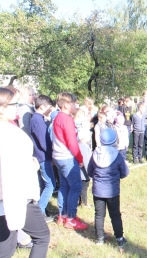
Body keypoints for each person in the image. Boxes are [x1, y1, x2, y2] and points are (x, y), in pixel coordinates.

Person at [0, 87, 50, 258]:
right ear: (2, 108)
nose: (18, 107)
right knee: (42, 236)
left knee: (6, 249)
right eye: (14, 104)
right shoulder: (10, 134)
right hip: (15, 196)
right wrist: (32, 166)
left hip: (6, 197)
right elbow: (14, 168)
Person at [87, 128, 129, 249]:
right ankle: (120, 239)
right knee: (115, 214)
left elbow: (90, 171)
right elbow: (125, 172)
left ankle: (99, 238)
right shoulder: (118, 156)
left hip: (98, 191)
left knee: (99, 215)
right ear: (115, 140)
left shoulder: (95, 154)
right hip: (112, 191)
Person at [52, 92, 88, 230]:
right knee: (75, 186)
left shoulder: (58, 117)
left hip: (58, 156)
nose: (76, 105)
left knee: (64, 186)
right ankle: (71, 218)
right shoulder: (66, 119)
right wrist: (80, 158)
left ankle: (63, 215)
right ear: (67, 105)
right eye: (74, 103)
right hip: (67, 157)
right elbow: (72, 142)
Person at [30, 95, 55, 223]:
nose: (51, 109)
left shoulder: (40, 119)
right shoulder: (37, 120)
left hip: (44, 156)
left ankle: (42, 209)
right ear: (42, 106)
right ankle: (40, 213)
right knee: (50, 185)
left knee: (48, 184)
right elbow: (43, 142)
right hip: (43, 157)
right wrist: (52, 155)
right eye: (49, 107)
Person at [74, 109, 92, 207]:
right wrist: (90, 172)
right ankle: (84, 203)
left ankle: (81, 201)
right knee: (84, 186)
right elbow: (85, 161)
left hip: (82, 171)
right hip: (84, 172)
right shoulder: (83, 146)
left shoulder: (82, 145)